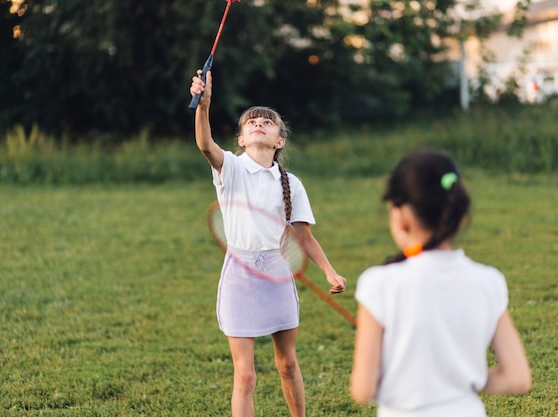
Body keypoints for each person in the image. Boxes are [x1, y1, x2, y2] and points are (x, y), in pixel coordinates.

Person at [190, 69, 347, 417]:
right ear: (242, 140)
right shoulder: (229, 168)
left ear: (279, 141)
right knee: (245, 376)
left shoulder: (292, 183)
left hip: (277, 274)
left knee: (287, 364)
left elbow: (304, 236)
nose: (258, 122)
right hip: (240, 277)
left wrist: (330, 273)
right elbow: (204, 144)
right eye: (251, 122)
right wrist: (204, 106)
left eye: (267, 122)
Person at [349, 149, 531, 416]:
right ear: (459, 215)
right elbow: (518, 378)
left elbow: (362, 390)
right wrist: (457, 383)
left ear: (400, 216)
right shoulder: (488, 281)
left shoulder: (379, 284)